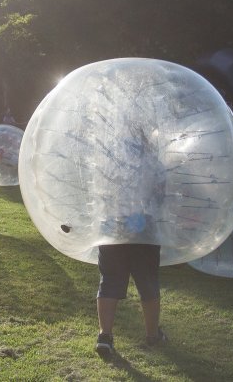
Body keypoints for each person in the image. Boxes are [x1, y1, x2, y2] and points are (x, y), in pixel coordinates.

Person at [95, 126, 167, 358]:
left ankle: (105, 336)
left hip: (113, 226)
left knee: (110, 281)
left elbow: (98, 192)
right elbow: (159, 196)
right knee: (148, 281)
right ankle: (152, 335)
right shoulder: (153, 162)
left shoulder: (109, 159)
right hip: (144, 228)